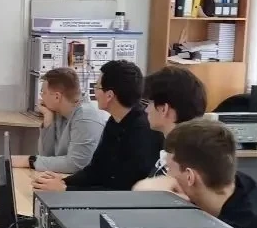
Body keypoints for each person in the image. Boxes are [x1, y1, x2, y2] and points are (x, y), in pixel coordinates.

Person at [33, 60, 162, 192]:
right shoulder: (115, 121)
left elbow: (121, 190)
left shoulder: (142, 132)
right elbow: (95, 170)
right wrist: (64, 182)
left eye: (97, 87)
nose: (94, 91)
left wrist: (66, 190)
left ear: (109, 95)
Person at [12, 67, 108, 173]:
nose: (41, 97)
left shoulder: (86, 117)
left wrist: (30, 161)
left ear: (57, 97)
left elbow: (75, 165)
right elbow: (47, 156)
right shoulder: (59, 112)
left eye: (43, 92)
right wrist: (48, 118)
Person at [141, 65, 207, 177]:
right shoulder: (187, 150)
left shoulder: (180, 166)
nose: (146, 110)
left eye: (149, 103)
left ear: (164, 109)